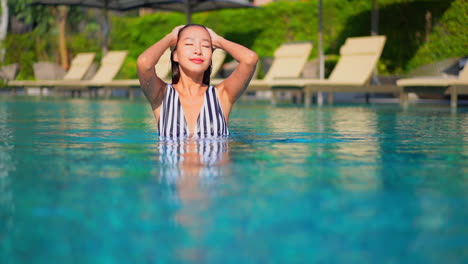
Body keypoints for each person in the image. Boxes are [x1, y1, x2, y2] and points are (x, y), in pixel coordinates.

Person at [137, 24, 258, 139]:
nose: (198, 51)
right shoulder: (161, 95)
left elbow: (250, 59)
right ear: (176, 56)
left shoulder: (222, 95)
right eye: (189, 44)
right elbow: (144, 63)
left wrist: (219, 40)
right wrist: (170, 37)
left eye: (206, 46)